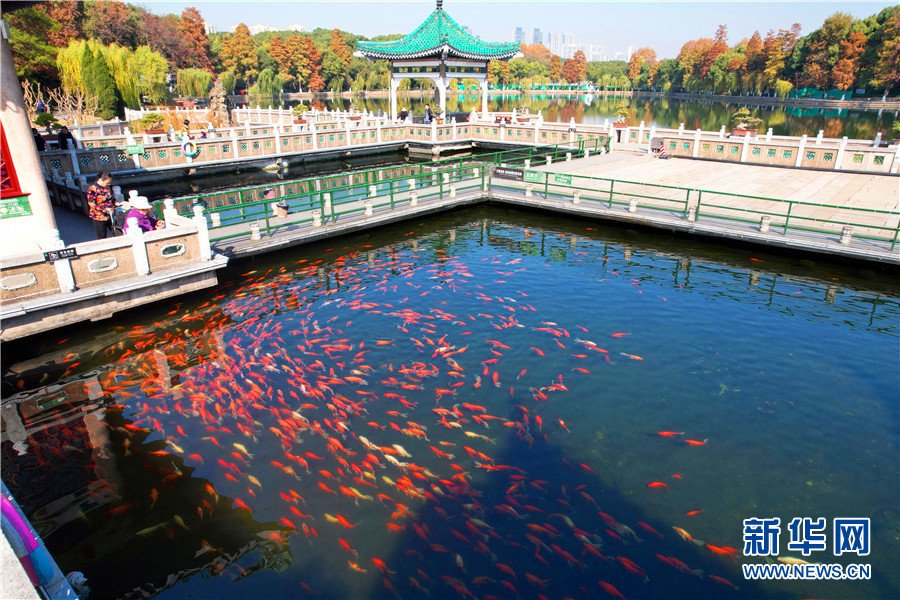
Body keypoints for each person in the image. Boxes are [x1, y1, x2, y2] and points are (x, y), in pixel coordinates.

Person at [86, 172, 119, 239]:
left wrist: (115, 202)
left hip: (110, 214)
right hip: (99, 216)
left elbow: (110, 197)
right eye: (107, 182)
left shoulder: (106, 188)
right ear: (101, 180)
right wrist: (104, 209)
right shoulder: (92, 189)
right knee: (102, 236)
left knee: (117, 232)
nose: (109, 184)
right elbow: (91, 203)